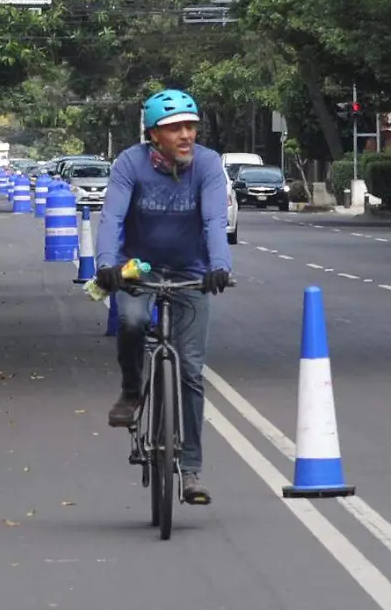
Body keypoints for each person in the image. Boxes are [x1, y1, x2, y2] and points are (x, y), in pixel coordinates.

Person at [94, 88, 232, 506]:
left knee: (190, 371)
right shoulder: (129, 163)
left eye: (191, 126)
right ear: (154, 135)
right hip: (138, 269)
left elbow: (214, 218)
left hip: (192, 273)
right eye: (175, 129)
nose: (186, 135)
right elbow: (113, 215)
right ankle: (133, 390)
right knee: (133, 322)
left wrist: (219, 265)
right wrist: (106, 263)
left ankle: (190, 470)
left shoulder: (207, 164)